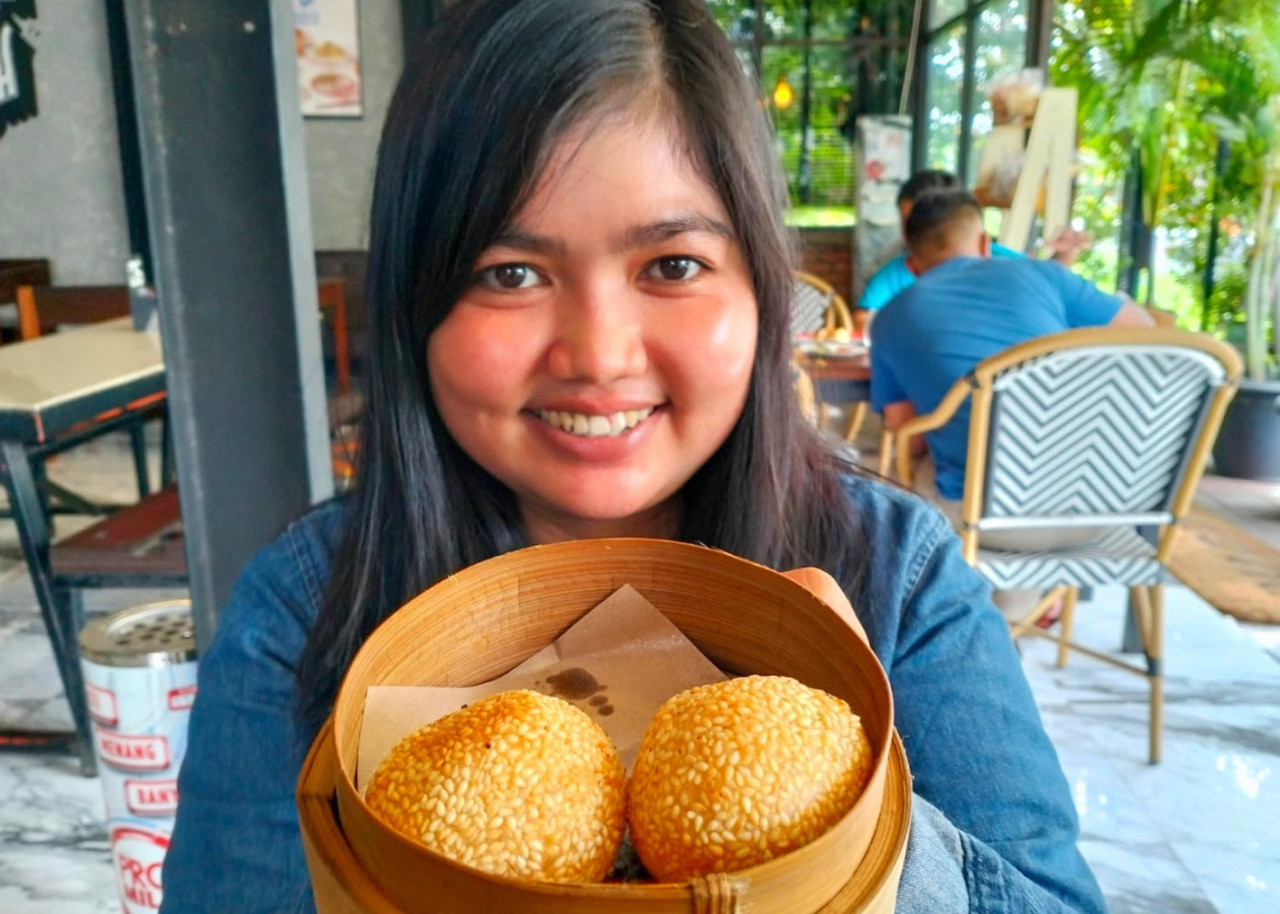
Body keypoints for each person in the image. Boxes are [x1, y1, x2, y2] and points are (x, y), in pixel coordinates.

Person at [161, 3, 1105, 912]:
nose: (601, 355)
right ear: (416, 307)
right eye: (511, 273)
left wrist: (850, 822)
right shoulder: (302, 604)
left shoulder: (900, 577)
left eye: (674, 265)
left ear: (762, 295)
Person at [870, 188, 1156, 546]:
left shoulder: (890, 318)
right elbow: (1146, 332)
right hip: (1109, 506)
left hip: (984, 519)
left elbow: (907, 438)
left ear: (911, 265)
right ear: (985, 243)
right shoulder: (1048, 276)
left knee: (927, 473)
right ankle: (1034, 598)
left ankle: (1003, 594)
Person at [857, 169, 1090, 313]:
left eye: (918, 221)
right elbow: (864, 317)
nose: (910, 231)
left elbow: (1045, 277)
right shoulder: (898, 271)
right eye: (905, 220)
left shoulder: (1002, 262)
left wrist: (1065, 253)